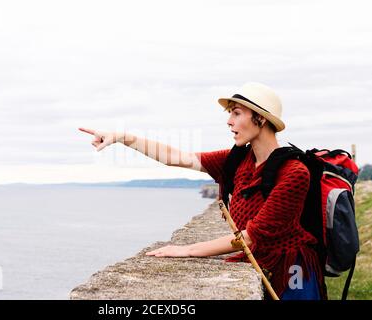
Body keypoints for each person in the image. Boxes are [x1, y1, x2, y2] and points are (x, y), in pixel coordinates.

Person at [78, 82, 324, 300]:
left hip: (293, 271)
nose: (229, 121)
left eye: (237, 113)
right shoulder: (238, 160)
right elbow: (176, 157)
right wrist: (122, 137)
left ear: (260, 118)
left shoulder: (294, 173)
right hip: (258, 263)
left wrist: (186, 250)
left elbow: (250, 237)